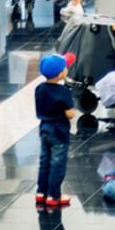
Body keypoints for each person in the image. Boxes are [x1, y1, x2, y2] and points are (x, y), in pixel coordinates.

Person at [34, 51, 77, 208]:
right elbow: (69, 114)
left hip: (44, 129)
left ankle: (41, 192)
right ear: (60, 74)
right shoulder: (63, 91)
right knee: (57, 163)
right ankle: (54, 195)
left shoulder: (39, 88)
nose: (67, 68)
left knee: (44, 162)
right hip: (59, 132)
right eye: (65, 67)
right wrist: (73, 112)